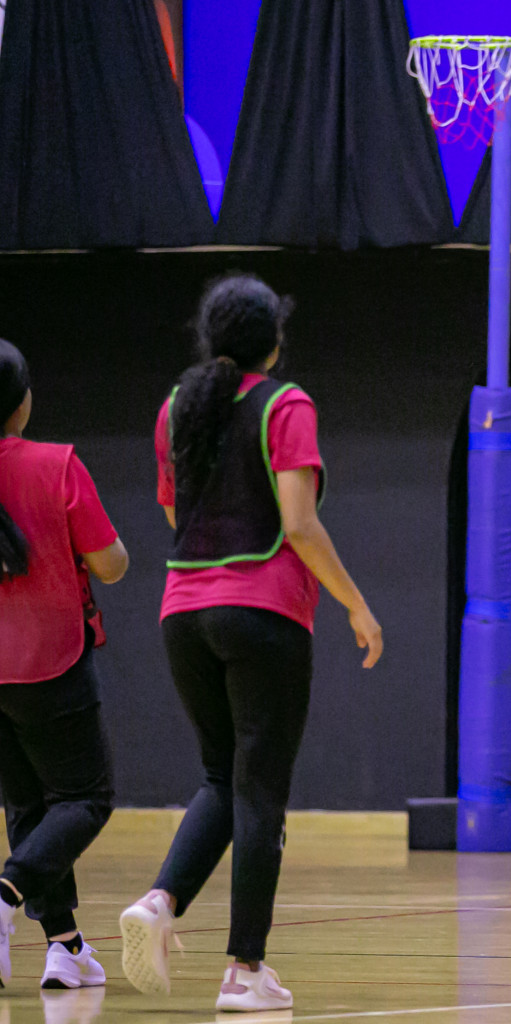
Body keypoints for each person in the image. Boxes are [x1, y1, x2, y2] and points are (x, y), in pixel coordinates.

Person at [117, 273, 383, 1013]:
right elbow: (299, 524)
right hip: (260, 611)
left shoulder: (177, 408)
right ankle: (244, 970)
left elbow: (174, 507)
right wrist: (357, 605)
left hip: (181, 613)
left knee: (220, 777)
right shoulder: (284, 403)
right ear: (273, 340)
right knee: (260, 789)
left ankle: (160, 903)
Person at [0, 339, 127, 990]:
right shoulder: (56, 465)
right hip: (50, 660)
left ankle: (65, 948)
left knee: (26, 803)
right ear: (21, 402)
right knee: (85, 797)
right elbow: (111, 562)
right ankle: (4, 894)